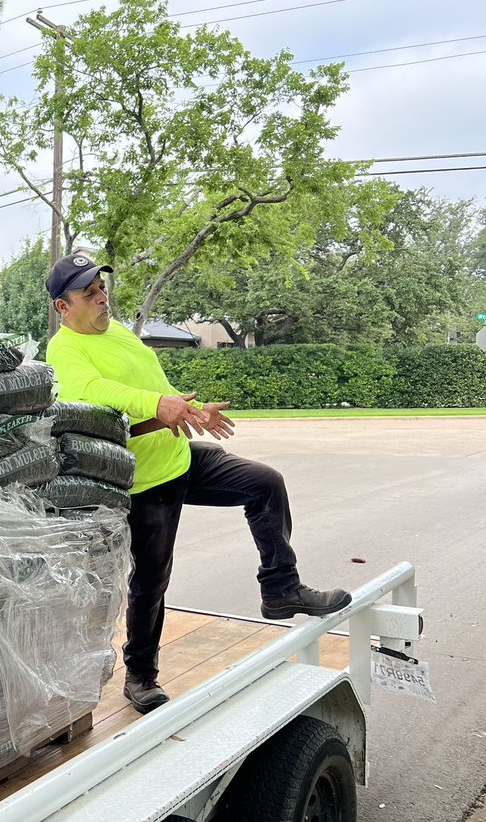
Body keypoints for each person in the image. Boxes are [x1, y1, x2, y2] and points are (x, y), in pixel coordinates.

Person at [44, 253, 351, 715]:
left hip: (179, 456)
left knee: (264, 483)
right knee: (152, 579)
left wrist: (191, 410)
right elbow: (97, 397)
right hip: (143, 480)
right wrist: (156, 404)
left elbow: (157, 395)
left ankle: (280, 588)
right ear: (62, 307)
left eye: (102, 289)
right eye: (88, 294)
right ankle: (141, 675)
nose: (102, 298)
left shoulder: (118, 332)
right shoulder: (64, 351)